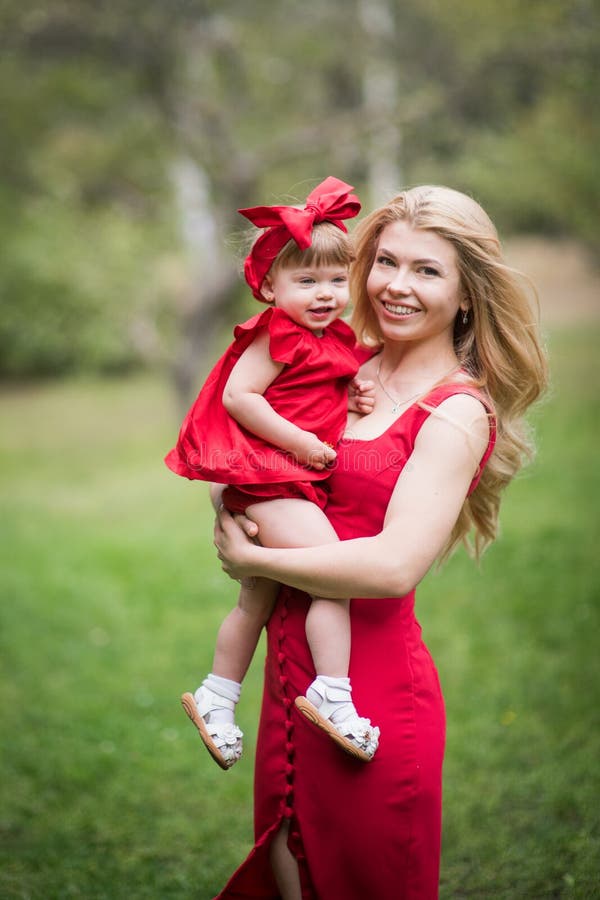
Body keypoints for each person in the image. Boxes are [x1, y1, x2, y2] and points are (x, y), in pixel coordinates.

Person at [211, 185, 548, 899]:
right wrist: (232, 502)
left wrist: (255, 560)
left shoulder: (456, 413)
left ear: (465, 296)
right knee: (288, 870)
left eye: (426, 270)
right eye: (386, 261)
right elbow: (242, 453)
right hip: (290, 675)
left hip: (370, 692)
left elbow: (394, 568)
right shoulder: (345, 368)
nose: (397, 285)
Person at [165, 177, 381, 771]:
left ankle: (216, 695)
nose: (324, 293)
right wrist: (305, 444)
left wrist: (353, 394)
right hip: (272, 478)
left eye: (337, 281)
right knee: (332, 578)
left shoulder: (335, 338)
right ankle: (332, 694)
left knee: (252, 606)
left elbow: (326, 388)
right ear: (268, 285)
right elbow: (242, 398)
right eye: (305, 281)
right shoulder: (277, 332)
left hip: (284, 481)